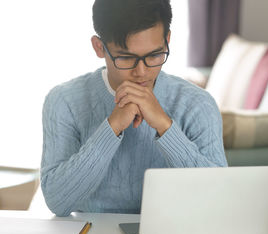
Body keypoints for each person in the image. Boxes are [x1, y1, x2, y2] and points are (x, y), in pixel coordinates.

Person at [41, 0, 227, 216]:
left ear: (167, 40)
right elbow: (57, 202)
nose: (142, 72)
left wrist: (165, 126)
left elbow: (218, 198)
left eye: (154, 55)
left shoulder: (197, 103)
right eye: (126, 58)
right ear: (99, 47)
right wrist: (112, 128)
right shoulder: (64, 101)